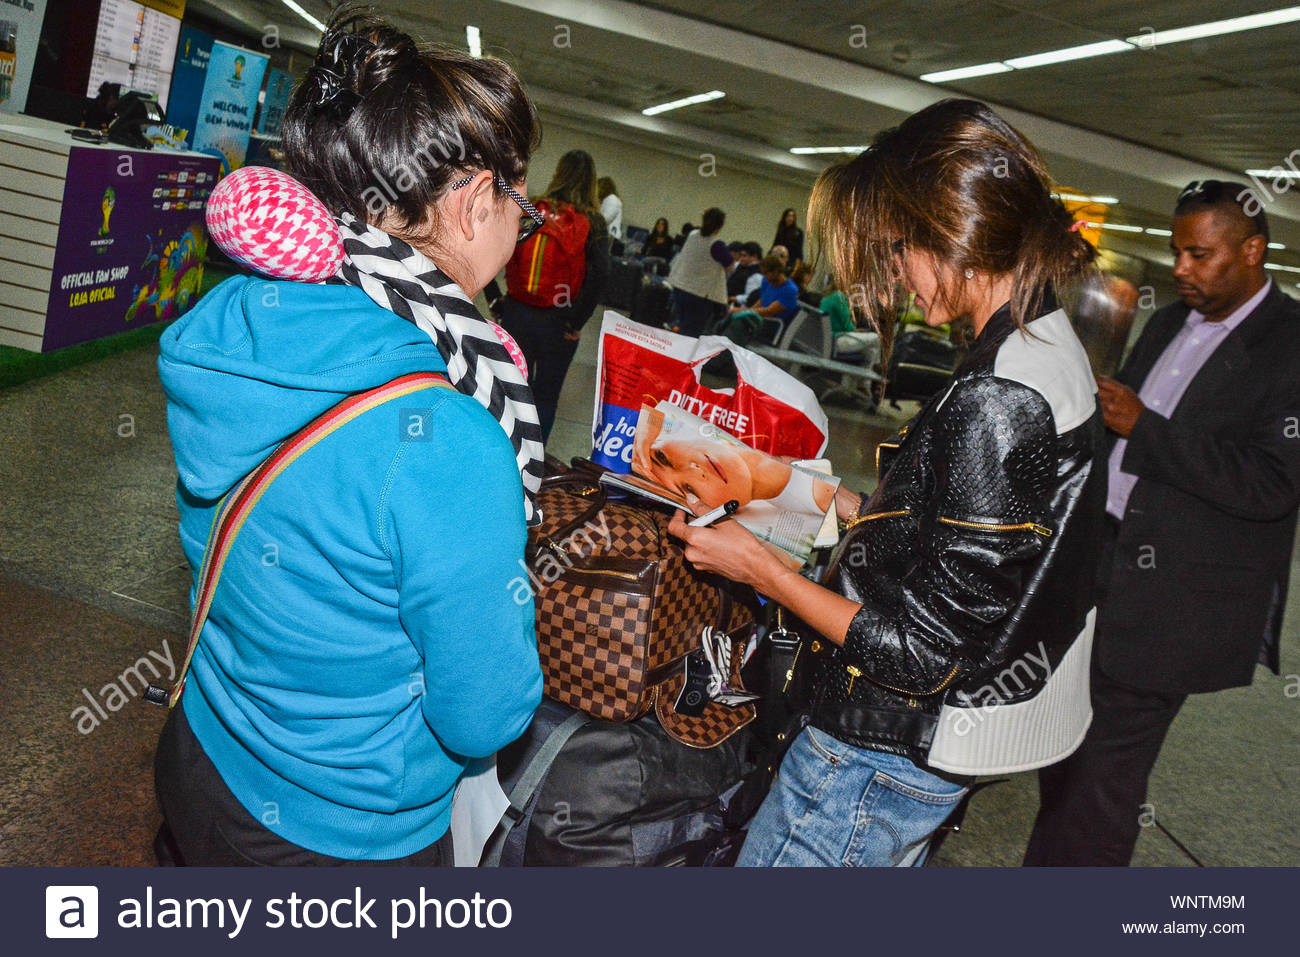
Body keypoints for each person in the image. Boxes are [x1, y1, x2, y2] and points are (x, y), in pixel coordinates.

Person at [668, 98, 1106, 867]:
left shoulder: (999, 395)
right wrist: (790, 486)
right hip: (913, 762)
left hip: (869, 761)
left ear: (951, 235)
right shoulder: (1045, 343)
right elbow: (955, 540)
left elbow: (919, 652)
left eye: (899, 247)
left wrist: (759, 569)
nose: (897, 272)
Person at [152, 11, 544, 866]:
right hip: (339, 832)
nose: (525, 230)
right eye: (526, 208)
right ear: (477, 201)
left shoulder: (240, 320)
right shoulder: (449, 436)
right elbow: (484, 711)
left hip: (206, 748)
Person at [1024, 180, 1300, 866]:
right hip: (1098, 565)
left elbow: (1273, 482)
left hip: (1176, 599)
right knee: (1061, 757)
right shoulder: (1172, 320)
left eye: (1199, 254)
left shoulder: (1290, 345)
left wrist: (1147, 428)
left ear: (1253, 250)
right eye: (1178, 252)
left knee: (1100, 788)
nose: (1180, 268)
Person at [498, 149, 611, 442]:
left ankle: (497, 452)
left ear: (557, 173)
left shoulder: (533, 208)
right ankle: (532, 463)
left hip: (517, 312)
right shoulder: (593, 222)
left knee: (508, 388)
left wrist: (498, 298)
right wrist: (576, 323)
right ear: (591, 183)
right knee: (545, 397)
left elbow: (500, 249)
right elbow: (600, 278)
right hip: (559, 322)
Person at [667, 207, 733, 336]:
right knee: (691, 333)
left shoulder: (692, 235)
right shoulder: (717, 245)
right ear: (720, 226)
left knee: (680, 326)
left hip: (680, 287)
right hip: (699, 295)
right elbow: (730, 266)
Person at [726, 255, 799, 337]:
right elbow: (760, 302)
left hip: (771, 324)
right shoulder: (767, 281)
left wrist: (742, 311)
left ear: (776, 271)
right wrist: (743, 312)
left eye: (766, 273)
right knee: (728, 317)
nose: (764, 276)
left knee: (737, 324)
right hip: (760, 319)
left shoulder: (790, 290)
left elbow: (769, 312)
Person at [598, 176, 623, 241]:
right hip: (606, 235)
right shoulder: (608, 199)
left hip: (609, 236)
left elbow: (605, 219)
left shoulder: (612, 199)